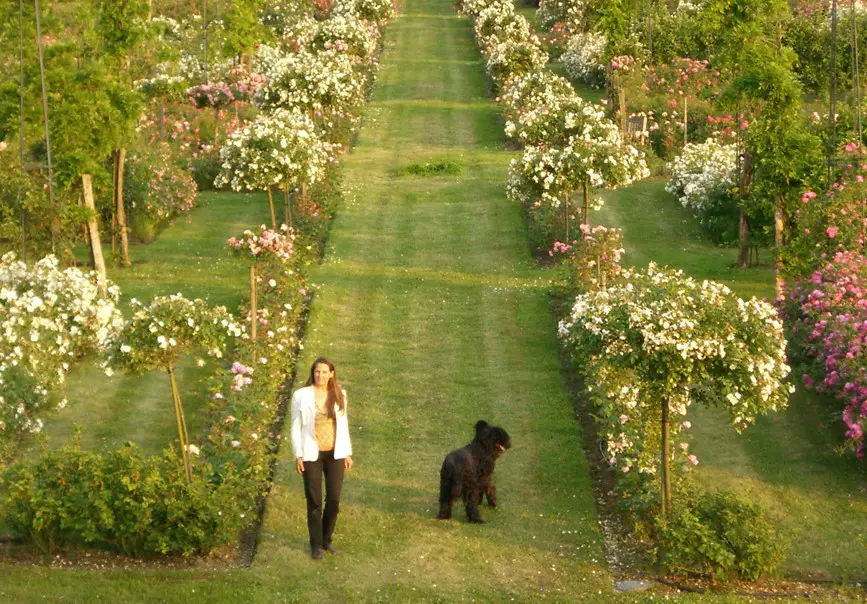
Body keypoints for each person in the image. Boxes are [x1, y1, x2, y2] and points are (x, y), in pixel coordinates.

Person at [290, 357, 353, 560]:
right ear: (313, 373)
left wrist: (347, 452)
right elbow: (295, 426)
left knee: (334, 499)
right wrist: (297, 454)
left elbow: (343, 425)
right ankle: (315, 544)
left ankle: (327, 540)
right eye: (318, 371)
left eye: (325, 372)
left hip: (335, 453)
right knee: (315, 500)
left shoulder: (339, 394)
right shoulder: (301, 396)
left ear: (331, 374)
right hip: (311, 453)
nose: (321, 375)